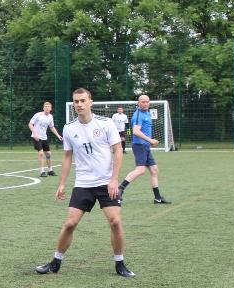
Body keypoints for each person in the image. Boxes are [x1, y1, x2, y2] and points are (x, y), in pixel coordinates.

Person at [35, 88, 135, 278]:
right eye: (76, 101)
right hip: (83, 183)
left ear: (90, 102)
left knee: (115, 221)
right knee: (70, 223)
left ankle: (120, 263)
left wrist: (114, 179)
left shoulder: (106, 124)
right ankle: (55, 262)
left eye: (82, 101)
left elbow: (118, 150)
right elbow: (66, 157)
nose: (79, 104)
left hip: (106, 183)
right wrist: (62, 183)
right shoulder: (69, 128)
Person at [118, 94, 170, 204]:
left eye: (147, 102)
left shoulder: (147, 113)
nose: (145, 104)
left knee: (154, 170)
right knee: (140, 170)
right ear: (138, 103)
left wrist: (148, 142)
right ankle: (120, 189)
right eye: (143, 102)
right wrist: (150, 140)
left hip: (145, 146)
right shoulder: (138, 115)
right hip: (139, 145)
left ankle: (157, 198)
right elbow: (136, 131)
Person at [28, 101, 63, 177]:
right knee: (41, 153)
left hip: (44, 138)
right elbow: (30, 124)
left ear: (50, 108)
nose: (47, 108)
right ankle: (42, 171)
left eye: (48, 106)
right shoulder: (38, 115)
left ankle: (50, 170)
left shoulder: (50, 117)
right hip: (36, 137)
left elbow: (52, 127)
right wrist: (35, 134)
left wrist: (58, 135)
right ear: (43, 108)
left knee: (48, 154)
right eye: (45, 106)